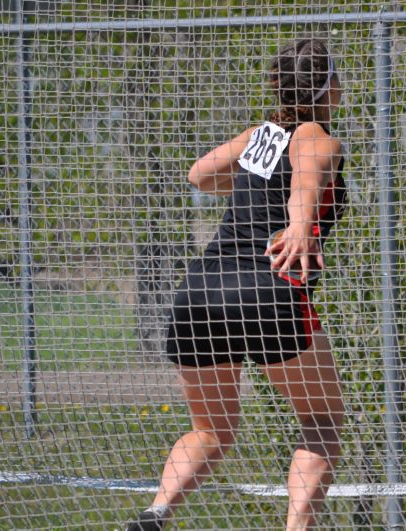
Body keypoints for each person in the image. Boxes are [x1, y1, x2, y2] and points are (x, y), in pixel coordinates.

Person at [128, 38, 347, 531]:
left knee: (212, 430)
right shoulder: (316, 134)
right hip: (264, 286)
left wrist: (251, 181)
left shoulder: (261, 136)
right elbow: (306, 179)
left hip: (201, 290)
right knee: (322, 420)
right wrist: (297, 223)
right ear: (327, 87)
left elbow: (200, 175)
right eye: (338, 78)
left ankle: (156, 511)